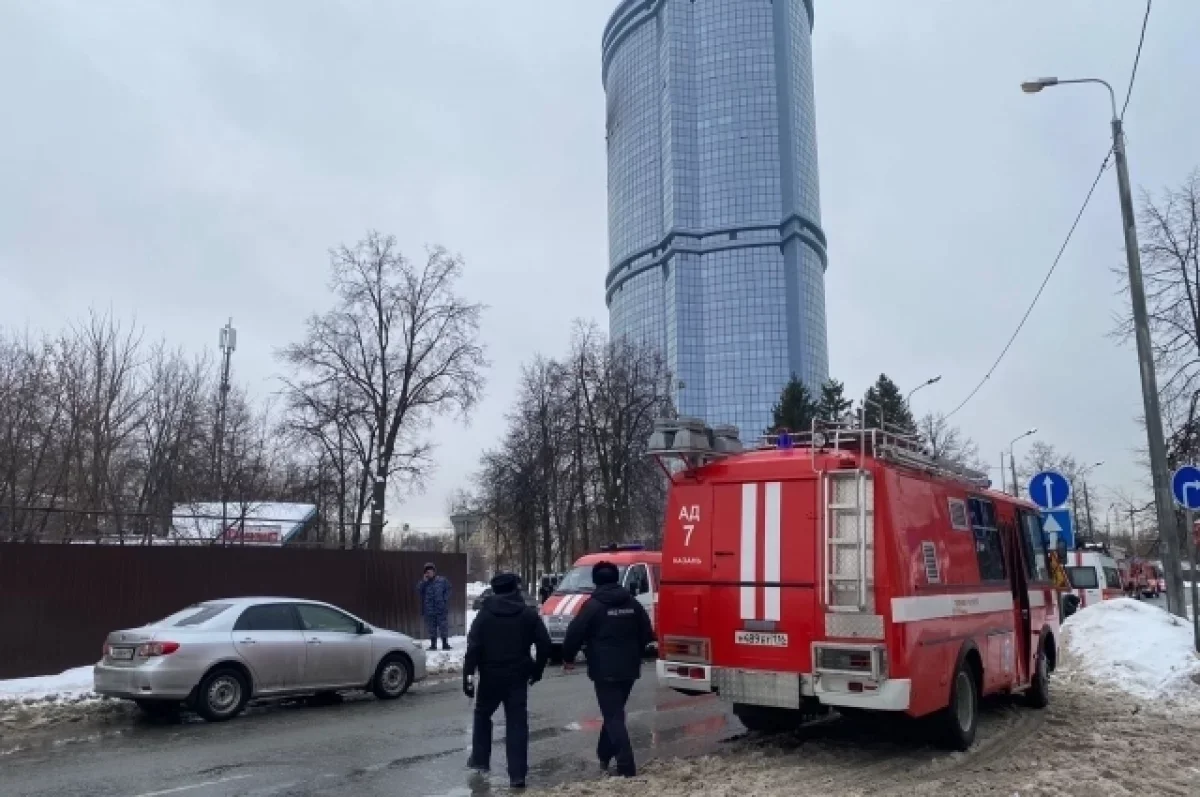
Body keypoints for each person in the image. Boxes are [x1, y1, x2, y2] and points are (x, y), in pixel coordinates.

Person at [561, 560, 654, 778]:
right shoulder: (632, 603)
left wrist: (568, 658)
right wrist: (635, 651)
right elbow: (647, 632)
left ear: (595, 581)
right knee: (614, 712)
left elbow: (575, 633)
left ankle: (626, 766)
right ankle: (604, 754)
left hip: (604, 669)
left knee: (613, 716)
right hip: (629, 667)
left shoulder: (592, 606)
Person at [463, 572, 552, 789]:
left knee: (483, 715)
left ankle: (481, 761)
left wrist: (468, 676)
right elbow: (544, 644)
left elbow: (473, 648)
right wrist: (537, 670)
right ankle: (517, 775)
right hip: (517, 677)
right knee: (516, 723)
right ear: (516, 589)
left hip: (490, 676)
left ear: (495, 590)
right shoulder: (527, 615)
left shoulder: (484, 615)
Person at [417, 563, 452, 651]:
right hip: (429, 610)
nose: (429, 573)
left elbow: (449, 589)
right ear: (425, 574)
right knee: (432, 628)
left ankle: (445, 644)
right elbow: (419, 591)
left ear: (434, 571)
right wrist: (424, 582)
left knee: (443, 627)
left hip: (441, 609)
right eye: (427, 572)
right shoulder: (424, 583)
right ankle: (433, 645)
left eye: (431, 571)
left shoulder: (442, 580)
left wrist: (444, 599)